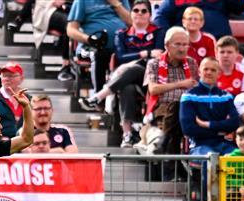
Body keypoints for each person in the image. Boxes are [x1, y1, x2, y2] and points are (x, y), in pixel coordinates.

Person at [78, 0, 164, 147]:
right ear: (131, 14)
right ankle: (127, 134)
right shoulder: (122, 34)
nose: (140, 14)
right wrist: (145, 53)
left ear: (150, 15)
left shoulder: (158, 32)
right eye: (136, 10)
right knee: (127, 88)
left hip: (151, 78)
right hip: (126, 79)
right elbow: (120, 57)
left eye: (144, 11)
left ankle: (99, 96)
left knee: (138, 67)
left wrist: (139, 58)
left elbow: (159, 55)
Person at [143, 26, 198, 156]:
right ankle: (175, 162)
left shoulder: (191, 63)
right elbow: (154, 89)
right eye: (178, 44)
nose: (182, 48)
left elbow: (196, 88)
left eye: (185, 44)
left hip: (188, 109)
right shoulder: (154, 63)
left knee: (179, 107)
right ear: (167, 45)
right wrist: (181, 84)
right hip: (162, 108)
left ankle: (165, 147)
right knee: (176, 107)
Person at [179, 57, 240, 157]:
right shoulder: (189, 96)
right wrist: (219, 131)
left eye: (213, 70)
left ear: (219, 74)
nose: (209, 72)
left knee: (240, 160)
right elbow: (188, 128)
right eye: (206, 69)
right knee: (210, 161)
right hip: (198, 146)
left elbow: (234, 122)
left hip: (224, 144)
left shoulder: (226, 96)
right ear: (199, 72)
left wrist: (208, 124)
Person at [67, 0, 132, 93]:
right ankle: (99, 97)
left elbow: (131, 22)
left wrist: (116, 4)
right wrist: (88, 39)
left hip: (118, 46)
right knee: (98, 54)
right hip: (89, 47)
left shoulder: (121, 1)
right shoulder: (81, 1)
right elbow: (70, 29)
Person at [154, 0, 244, 41]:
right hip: (185, 45)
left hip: (219, 44)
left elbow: (239, 7)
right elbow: (160, 17)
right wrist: (172, 37)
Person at [30, 0, 75, 81]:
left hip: (73, 10)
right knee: (70, 26)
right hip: (50, 10)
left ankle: (68, 64)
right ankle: (66, 64)